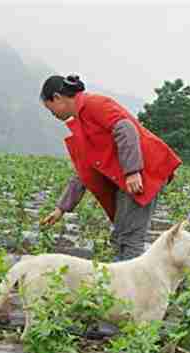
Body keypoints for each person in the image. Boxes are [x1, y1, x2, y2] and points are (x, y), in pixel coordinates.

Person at [40, 75, 182, 261]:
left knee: (130, 237)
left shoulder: (94, 104)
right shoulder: (81, 120)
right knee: (121, 235)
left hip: (144, 172)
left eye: (51, 110)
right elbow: (84, 170)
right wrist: (61, 208)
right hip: (129, 176)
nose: (54, 115)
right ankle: (121, 281)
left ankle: (130, 287)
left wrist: (132, 171)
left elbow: (126, 129)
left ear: (58, 97)